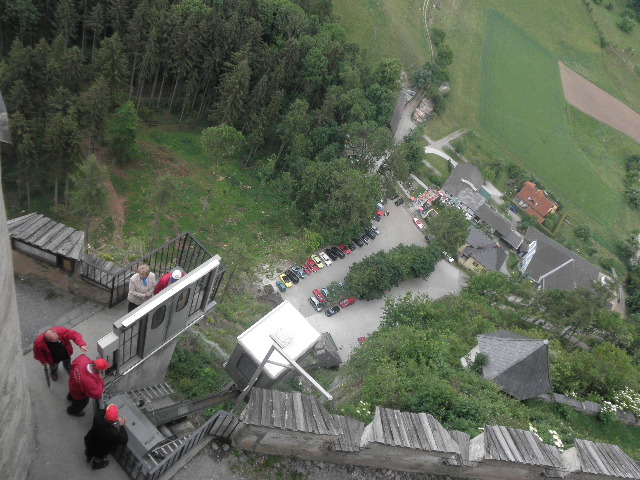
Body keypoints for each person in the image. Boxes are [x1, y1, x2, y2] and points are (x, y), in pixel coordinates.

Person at [84, 404, 128, 470]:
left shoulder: (97, 417)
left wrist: (110, 411)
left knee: (89, 450)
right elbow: (124, 440)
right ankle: (96, 465)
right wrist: (122, 425)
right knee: (99, 458)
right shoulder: (114, 433)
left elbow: (102, 411)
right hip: (101, 451)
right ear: (115, 420)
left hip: (89, 441)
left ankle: (88, 456)